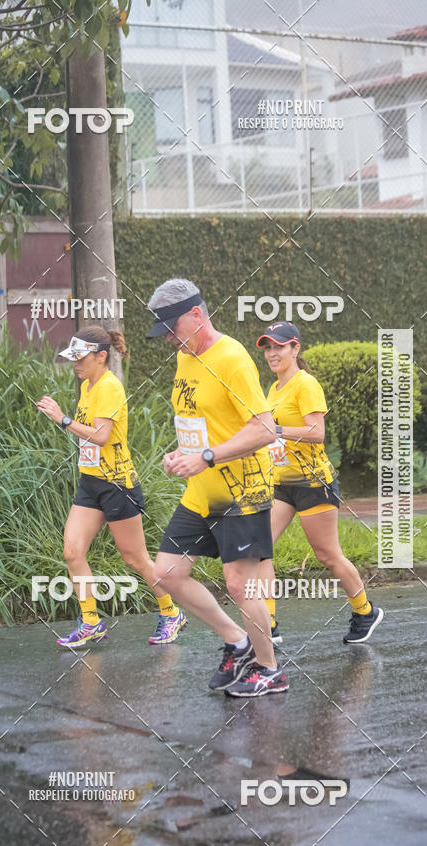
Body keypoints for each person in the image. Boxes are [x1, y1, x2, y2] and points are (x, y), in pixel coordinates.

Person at [147, 278, 288, 697]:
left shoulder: (232, 358)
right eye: (164, 333)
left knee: (239, 585)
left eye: (173, 328)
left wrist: (207, 456)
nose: (170, 339)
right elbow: (200, 422)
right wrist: (182, 453)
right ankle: (236, 640)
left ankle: (269, 670)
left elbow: (264, 428)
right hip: (202, 488)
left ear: (197, 314)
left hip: (243, 486)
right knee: (167, 573)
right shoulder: (185, 356)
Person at [36, 326, 187, 648]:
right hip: (91, 482)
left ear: (101, 356)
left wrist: (62, 418)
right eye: (72, 358)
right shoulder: (89, 386)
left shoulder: (108, 387)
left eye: (81, 358)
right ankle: (90, 621)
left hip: (117, 485)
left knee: (135, 558)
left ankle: (171, 612)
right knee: (72, 550)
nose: (75, 364)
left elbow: (101, 436)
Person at [256, 321, 383, 644]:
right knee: (259, 548)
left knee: (327, 555)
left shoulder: (305, 384)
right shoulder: (274, 388)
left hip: (314, 484)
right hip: (282, 484)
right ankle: (267, 626)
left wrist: (278, 432)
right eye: (268, 348)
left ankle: (365, 610)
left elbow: (317, 433)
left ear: (295, 348)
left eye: (279, 347)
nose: (272, 353)